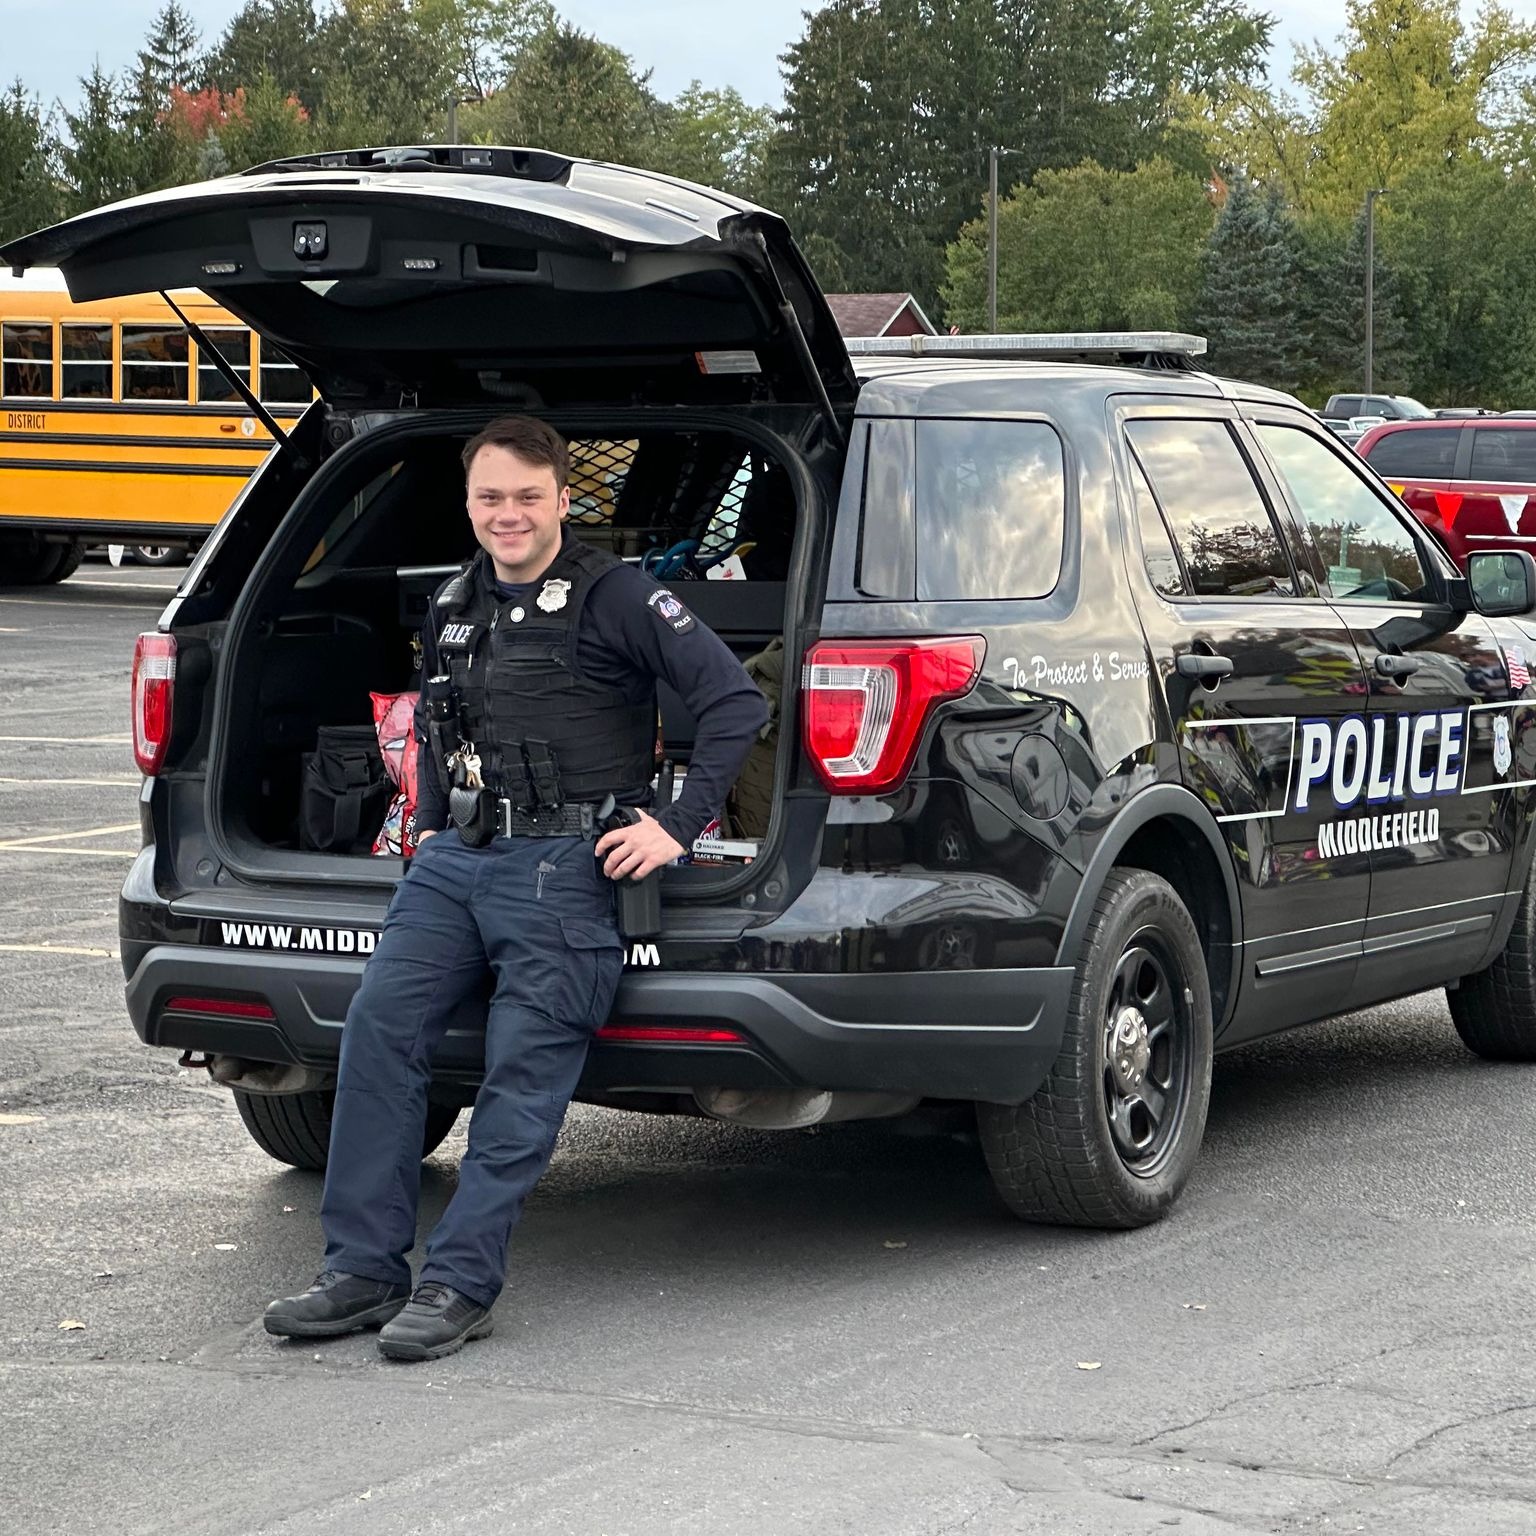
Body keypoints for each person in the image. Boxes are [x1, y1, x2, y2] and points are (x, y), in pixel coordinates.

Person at [265, 416, 768, 1361]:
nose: (509, 515)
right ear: (469, 503)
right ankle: (362, 1271)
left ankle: (459, 1282)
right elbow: (434, 725)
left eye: (528, 497)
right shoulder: (456, 599)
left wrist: (674, 826)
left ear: (562, 501)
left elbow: (737, 703)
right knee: (378, 1032)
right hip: (455, 861)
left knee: (519, 1072)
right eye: (490, 497)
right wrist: (421, 832)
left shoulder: (619, 597)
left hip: (568, 872)